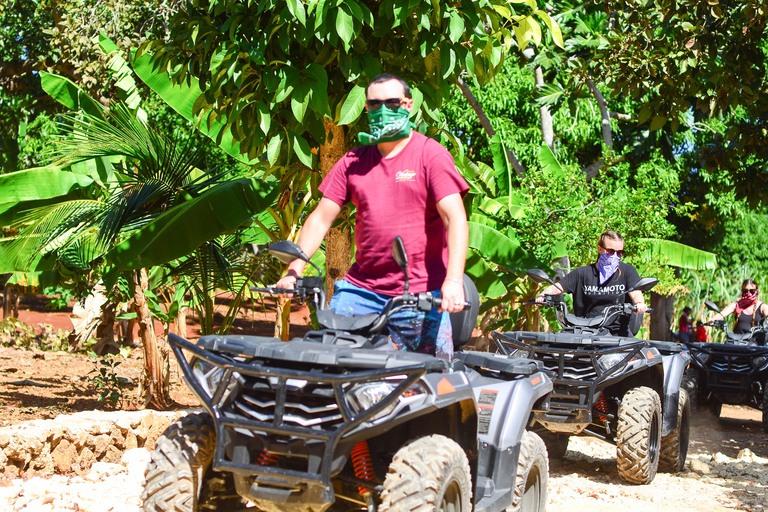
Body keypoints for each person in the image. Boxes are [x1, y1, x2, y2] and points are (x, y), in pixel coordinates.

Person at [276, 73, 469, 361]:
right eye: (375, 104)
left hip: (419, 294)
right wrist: (294, 270)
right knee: (333, 367)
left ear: (407, 105)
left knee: (425, 382)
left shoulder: (430, 154)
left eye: (391, 102)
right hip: (360, 291)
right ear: (366, 108)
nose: (382, 110)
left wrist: (453, 280)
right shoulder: (353, 162)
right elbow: (320, 219)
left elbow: (455, 219)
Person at [535, 230, 648, 336]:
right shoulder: (582, 273)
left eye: (619, 253)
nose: (615, 256)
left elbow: (636, 293)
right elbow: (557, 287)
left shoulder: (627, 271)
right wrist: (543, 295)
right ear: (600, 249)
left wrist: (639, 304)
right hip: (586, 331)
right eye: (610, 251)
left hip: (617, 333)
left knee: (635, 354)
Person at [710, 279, 768, 344]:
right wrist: (712, 321)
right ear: (742, 291)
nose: (748, 294)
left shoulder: (763, 307)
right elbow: (721, 314)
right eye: (745, 291)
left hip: (755, 346)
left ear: (756, 291)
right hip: (737, 343)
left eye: (752, 291)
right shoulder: (736, 305)